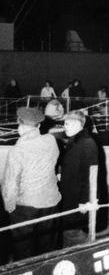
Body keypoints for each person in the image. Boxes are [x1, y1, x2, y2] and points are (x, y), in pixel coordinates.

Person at [0, 107, 61, 259]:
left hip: (26, 206)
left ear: (19, 125)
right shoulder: (51, 141)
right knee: (47, 247)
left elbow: (10, 183)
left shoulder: (18, 150)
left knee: (23, 249)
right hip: (50, 202)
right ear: (39, 126)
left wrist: (9, 206)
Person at [59, 111, 99, 247]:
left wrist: (85, 201)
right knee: (69, 231)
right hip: (71, 193)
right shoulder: (75, 140)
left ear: (78, 124)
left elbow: (90, 175)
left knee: (73, 233)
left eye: (67, 123)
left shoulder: (87, 143)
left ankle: (86, 252)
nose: (64, 126)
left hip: (77, 198)